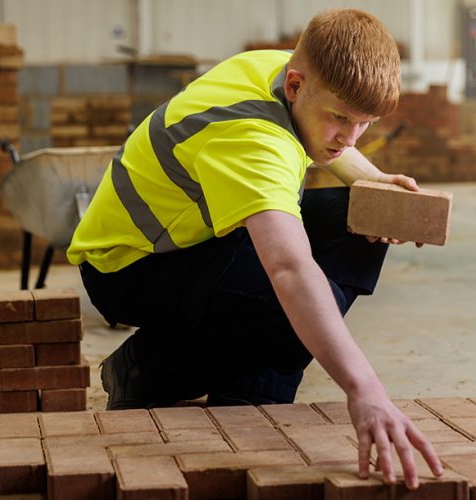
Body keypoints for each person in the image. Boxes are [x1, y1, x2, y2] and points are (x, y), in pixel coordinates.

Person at [67, 8, 442, 488]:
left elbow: (335, 138)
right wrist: (363, 388)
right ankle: (156, 371)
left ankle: (243, 390)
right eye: (339, 119)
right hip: (132, 270)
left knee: (363, 221)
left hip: (196, 241)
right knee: (300, 299)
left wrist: (375, 185)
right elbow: (288, 268)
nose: (350, 138)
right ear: (295, 87)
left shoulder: (277, 67)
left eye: (364, 123)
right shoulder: (252, 139)